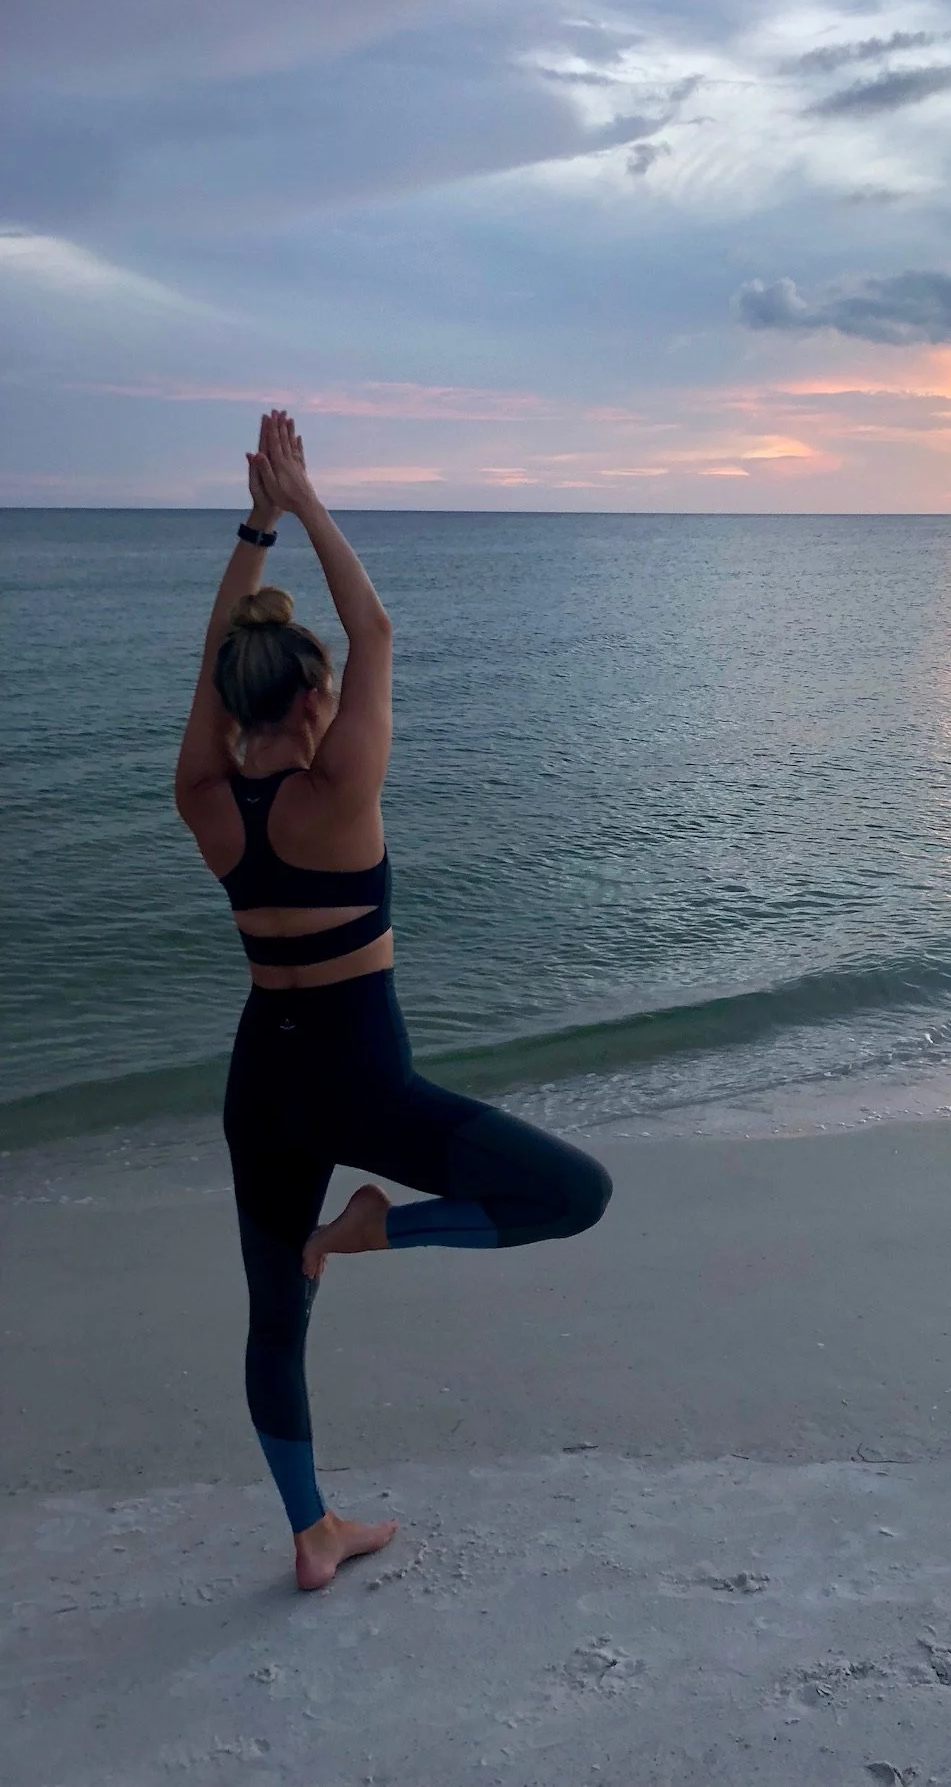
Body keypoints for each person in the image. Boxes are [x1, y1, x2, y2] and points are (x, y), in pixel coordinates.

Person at [175, 410, 612, 1591]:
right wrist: (303, 503)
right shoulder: (342, 797)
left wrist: (255, 527)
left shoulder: (205, 799)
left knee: (275, 1315)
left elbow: (222, 661)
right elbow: (373, 623)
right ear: (311, 698)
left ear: (230, 708)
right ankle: (375, 1231)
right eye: (321, 695)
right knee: (574, 1194)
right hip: (359, 1084)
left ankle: (311, 1534)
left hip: (260, 1077)